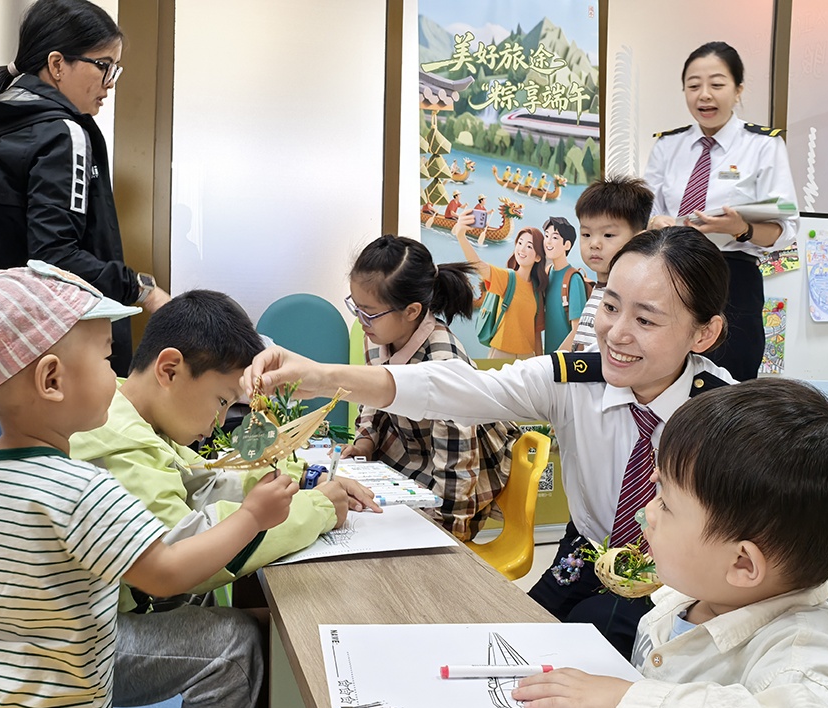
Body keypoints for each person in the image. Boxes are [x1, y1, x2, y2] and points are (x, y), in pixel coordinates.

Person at [244, 226, 735, 659]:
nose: (615, 334)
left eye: (646, 320)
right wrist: (321, 376)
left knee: (593, 648)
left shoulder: (725, 417)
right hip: (584, 552)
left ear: (705, 333)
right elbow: (453, 388)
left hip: (673, 579)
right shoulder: (576, 380)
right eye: (609, 307)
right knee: (515, 644)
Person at [0, 262, 294, 708]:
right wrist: (252, 517)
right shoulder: (82, 489)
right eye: (105, 358)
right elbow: (166, 572)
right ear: (52, 380)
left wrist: (16, 629)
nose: (116, 373)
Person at [67, 289, 376, 708]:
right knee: (233, 645)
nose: (218, 422)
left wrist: (297, 486)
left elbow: (195, 487)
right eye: (219, 401)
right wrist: (315, 509)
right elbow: (184, 555)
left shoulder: (132, 416)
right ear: (169, 370)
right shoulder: (116, 439)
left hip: (107, 614)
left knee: (227, 611)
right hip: (86, 644)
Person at [513, 378, 828, 708]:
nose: (648, 512)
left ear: (743, 565)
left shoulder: (801, 659)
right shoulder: (690, 597)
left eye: (666, 504)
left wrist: (625, 701)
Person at [0, 0, 171, 379]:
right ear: (56, 65)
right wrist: (141, 289)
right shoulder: (62, 133)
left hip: (0, 347)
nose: (109, 83)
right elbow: (54, 255)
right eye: (103, 66)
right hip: (55, 350)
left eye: (115, 69)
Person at [340, 235, 516, 541]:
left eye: (369, 312)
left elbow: (459, 462)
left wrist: (447, 531)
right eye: (356, 308)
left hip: (463, 470)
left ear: (411, 311)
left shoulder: (443, 359)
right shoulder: (378, 336)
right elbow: (373, 397)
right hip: (414, 453)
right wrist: (365, 442)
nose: (362, 321)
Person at [643, 41, 798, 381]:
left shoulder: (763, 145)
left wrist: (739, 227)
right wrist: (656, 221)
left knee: (729, 388)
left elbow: (784, 227)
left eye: (717, 84)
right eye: (694, 85)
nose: (704, 96)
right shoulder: (668, 145)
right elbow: (647, 208)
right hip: (670, 272)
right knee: (665, 378)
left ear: (738, 89)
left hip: (733, 279)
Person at [565, 176, 654, 352]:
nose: (594, 244)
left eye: (608, 235)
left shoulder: (629, 298)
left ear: (639, 238)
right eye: (586, 235)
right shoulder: (599, 289)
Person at [457, 218, 547, 360]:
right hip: (501, 354)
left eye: (529, 246)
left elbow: (536, 334)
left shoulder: (537, 291)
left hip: (528, 358)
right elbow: (478, 266)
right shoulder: (507, 277)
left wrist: (541, 363)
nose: (522, 249)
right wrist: (461, 236)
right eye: (520, 243)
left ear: (537, 257)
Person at [541, 216, 586, 353]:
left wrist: (555, 358)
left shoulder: (573, 279)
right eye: (546, 236)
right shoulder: (547, 273)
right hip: (547, 359)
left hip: (564, 361)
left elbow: (577, 329)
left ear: (567, 245)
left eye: (554, 237)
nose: (548, 242)